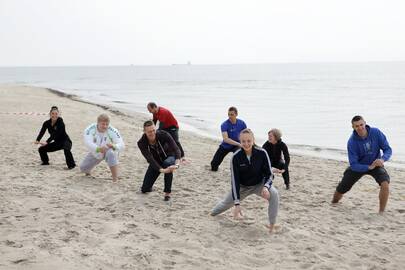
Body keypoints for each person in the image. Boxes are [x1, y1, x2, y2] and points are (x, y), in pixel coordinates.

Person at [211, 128, 280, 233]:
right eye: (243, 141)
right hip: (242, 187)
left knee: (274, 194)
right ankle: (211, 214)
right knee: (225, 204)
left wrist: (266, 187)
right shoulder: (236, 157)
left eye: (249, 141)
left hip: (259, 184)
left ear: (253, 140)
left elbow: (269, 174)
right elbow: (234, 181)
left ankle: (272, 225)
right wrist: (237, 204)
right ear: (240, 141)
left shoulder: (262, 153)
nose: (246, 144)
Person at [332, 115, 392, 213]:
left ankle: (381, 212)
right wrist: (368, 167)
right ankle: (334, 202)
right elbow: (353, 164)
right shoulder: (352, 142)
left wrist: (382, 159)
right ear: (353, 127)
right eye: (357, 126)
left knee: (385, 184)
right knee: (342, 187)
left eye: (361, 125)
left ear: (365, 123)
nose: (360, 128)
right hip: (359, 167)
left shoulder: (376, 132)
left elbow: (387, 149)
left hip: (376, 164)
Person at [138, 120, 181, 201]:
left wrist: (177, 164)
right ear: (144, 131)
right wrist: (162, 170)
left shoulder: (164, 134)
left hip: (169, 157)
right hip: (156, 161)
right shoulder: (141, 143)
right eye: (149, 132)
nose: (152, 133)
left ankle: (167, 193)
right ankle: (149, 187)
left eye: (154, 130)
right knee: (144, 189)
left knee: (167, 163)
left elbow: (176, 149)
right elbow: (149, 159)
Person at [79, 114, 125, 182]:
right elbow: (88, 142)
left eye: (107, 124)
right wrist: (98, 149)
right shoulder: (89, 129)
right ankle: (88, 171)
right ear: (97, 123)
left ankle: (115, 178)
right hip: (96, 151)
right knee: (83, 168)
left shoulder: (113, 130)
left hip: (108, 150)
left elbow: (122, 145)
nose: (105, 126)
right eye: (103, 124)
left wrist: (114, 146)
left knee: (111, 153)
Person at [210, 106, 247, 171]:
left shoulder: (242, 123)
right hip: (226, 145)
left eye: (232, 114)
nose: (230, 116)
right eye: (229, 114)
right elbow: (226, 139)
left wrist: (245, 143)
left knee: (238, 155)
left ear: (236, 114)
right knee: (214, 165)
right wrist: (239, 144)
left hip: (237, 146)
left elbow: (247, 134)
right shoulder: (224, 124)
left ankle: (236, 169)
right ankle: (214, 166)